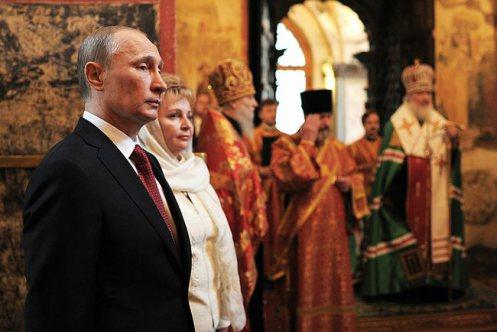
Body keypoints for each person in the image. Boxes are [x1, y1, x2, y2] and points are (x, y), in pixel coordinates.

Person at [22, 26, 194, 331]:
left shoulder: (146, 161)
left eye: (160, 70)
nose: (159, 84)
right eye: (143, 67)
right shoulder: (68, 171)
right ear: (96, 76)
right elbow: (58, 310)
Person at [138, 75, 246, 332]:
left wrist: (224, 316)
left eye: (189, 116)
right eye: (174, 116)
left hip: (214, 318)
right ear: (150, 126)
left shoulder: (197, 174)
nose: (187, 125)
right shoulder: (145, 183)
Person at [362, 61, 468, 297]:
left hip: (435, 201)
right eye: (419, 93)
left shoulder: (441, 124)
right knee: (404, 239)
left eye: (428, 92)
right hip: (402, 199)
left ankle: (436, 283)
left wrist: (453, 142)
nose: (424, 98)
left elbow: (452, 164)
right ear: (409, 96)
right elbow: (388, 172)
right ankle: (403, 287)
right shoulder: (396, 126)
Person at [269, 89, 369, 331]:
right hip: (303, 237)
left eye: (328, 116)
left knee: (335, 285)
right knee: (306, 285)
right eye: (320, 117)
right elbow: (295, 177)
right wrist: (308, 141)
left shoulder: (338, 148)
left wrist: (350, 187)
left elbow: (357, 178)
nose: (325, 123)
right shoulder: (286, 146)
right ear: (308, 118)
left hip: (335, 237)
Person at [196, 59, 267, 328]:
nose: (255, 104)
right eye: (250, 98)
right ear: (235, 102)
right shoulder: (221, 134)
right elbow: (236, 182)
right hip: (232, 227)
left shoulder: (227, 129)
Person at [250, 99, 286, 331]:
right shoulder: (254, 136)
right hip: (261, 190)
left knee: (279, 228)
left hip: (279, 193)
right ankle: (263, 272)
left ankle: (278, 272)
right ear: (261, 112)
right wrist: (262, 171)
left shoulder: (284, 137)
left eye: (275, 109)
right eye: (268, 110)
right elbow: (249, 163)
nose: (271, 113)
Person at [347, 109, 382, 199]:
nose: (373, 126)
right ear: (364, 125)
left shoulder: (385, 145)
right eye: (369, 123)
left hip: (382, 194)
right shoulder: (353, 147)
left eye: (376, 123)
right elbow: (350, 172)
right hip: (362, 194)